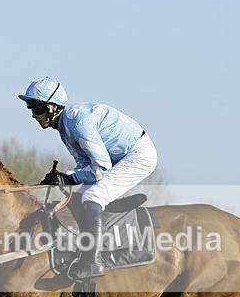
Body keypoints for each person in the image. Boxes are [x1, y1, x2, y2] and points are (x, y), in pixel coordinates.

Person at [19, 76, 158, 280]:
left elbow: (100, 169)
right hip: (118, 158)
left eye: (37, 108)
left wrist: (69, 179)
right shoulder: (65, 126)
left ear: (53, 107)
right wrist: (63, 176)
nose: (33, 115)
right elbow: (85, 165)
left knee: (93, 196)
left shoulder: (77, 122)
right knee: (79, 197)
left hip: (138, 155)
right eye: (30, 109)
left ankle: (92, 261)